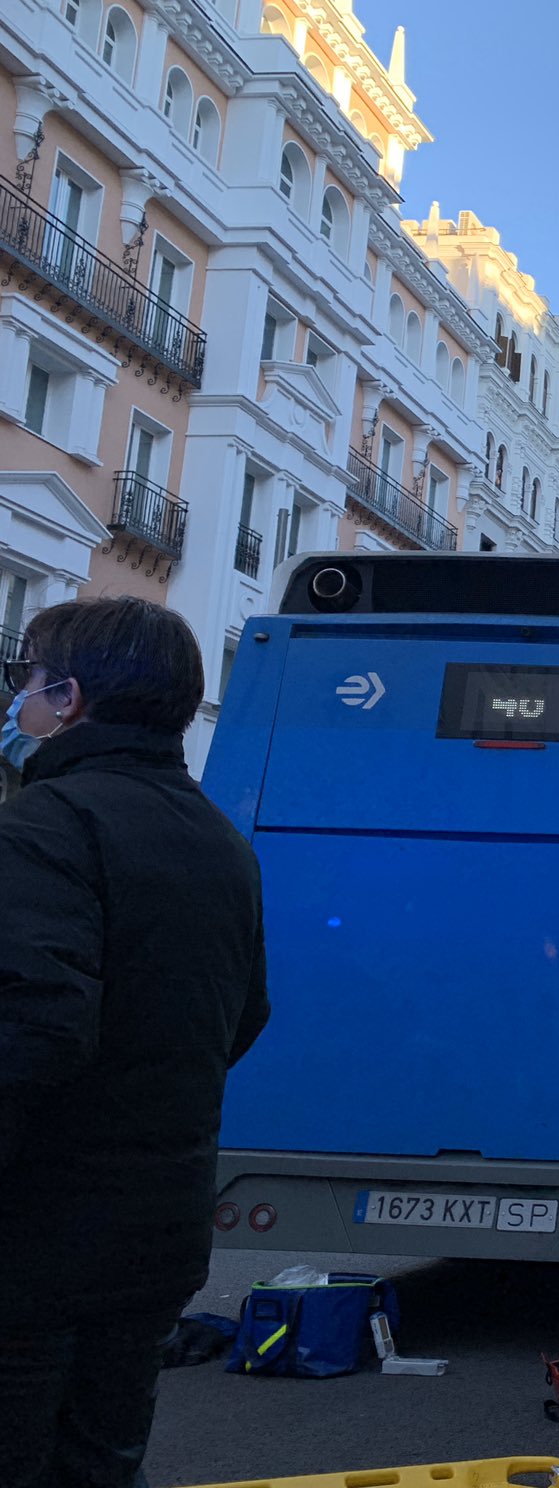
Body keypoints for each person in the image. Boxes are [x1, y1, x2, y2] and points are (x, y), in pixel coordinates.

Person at [0, 597, 269, 1488]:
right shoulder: (221, 841)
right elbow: (245, 1014)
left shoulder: (46, 826)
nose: (19, 705)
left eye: (27, 682)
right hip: (158, 1228)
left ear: (69, 699)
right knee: (102, 1459)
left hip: (35, 1233)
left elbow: (29, 1028)